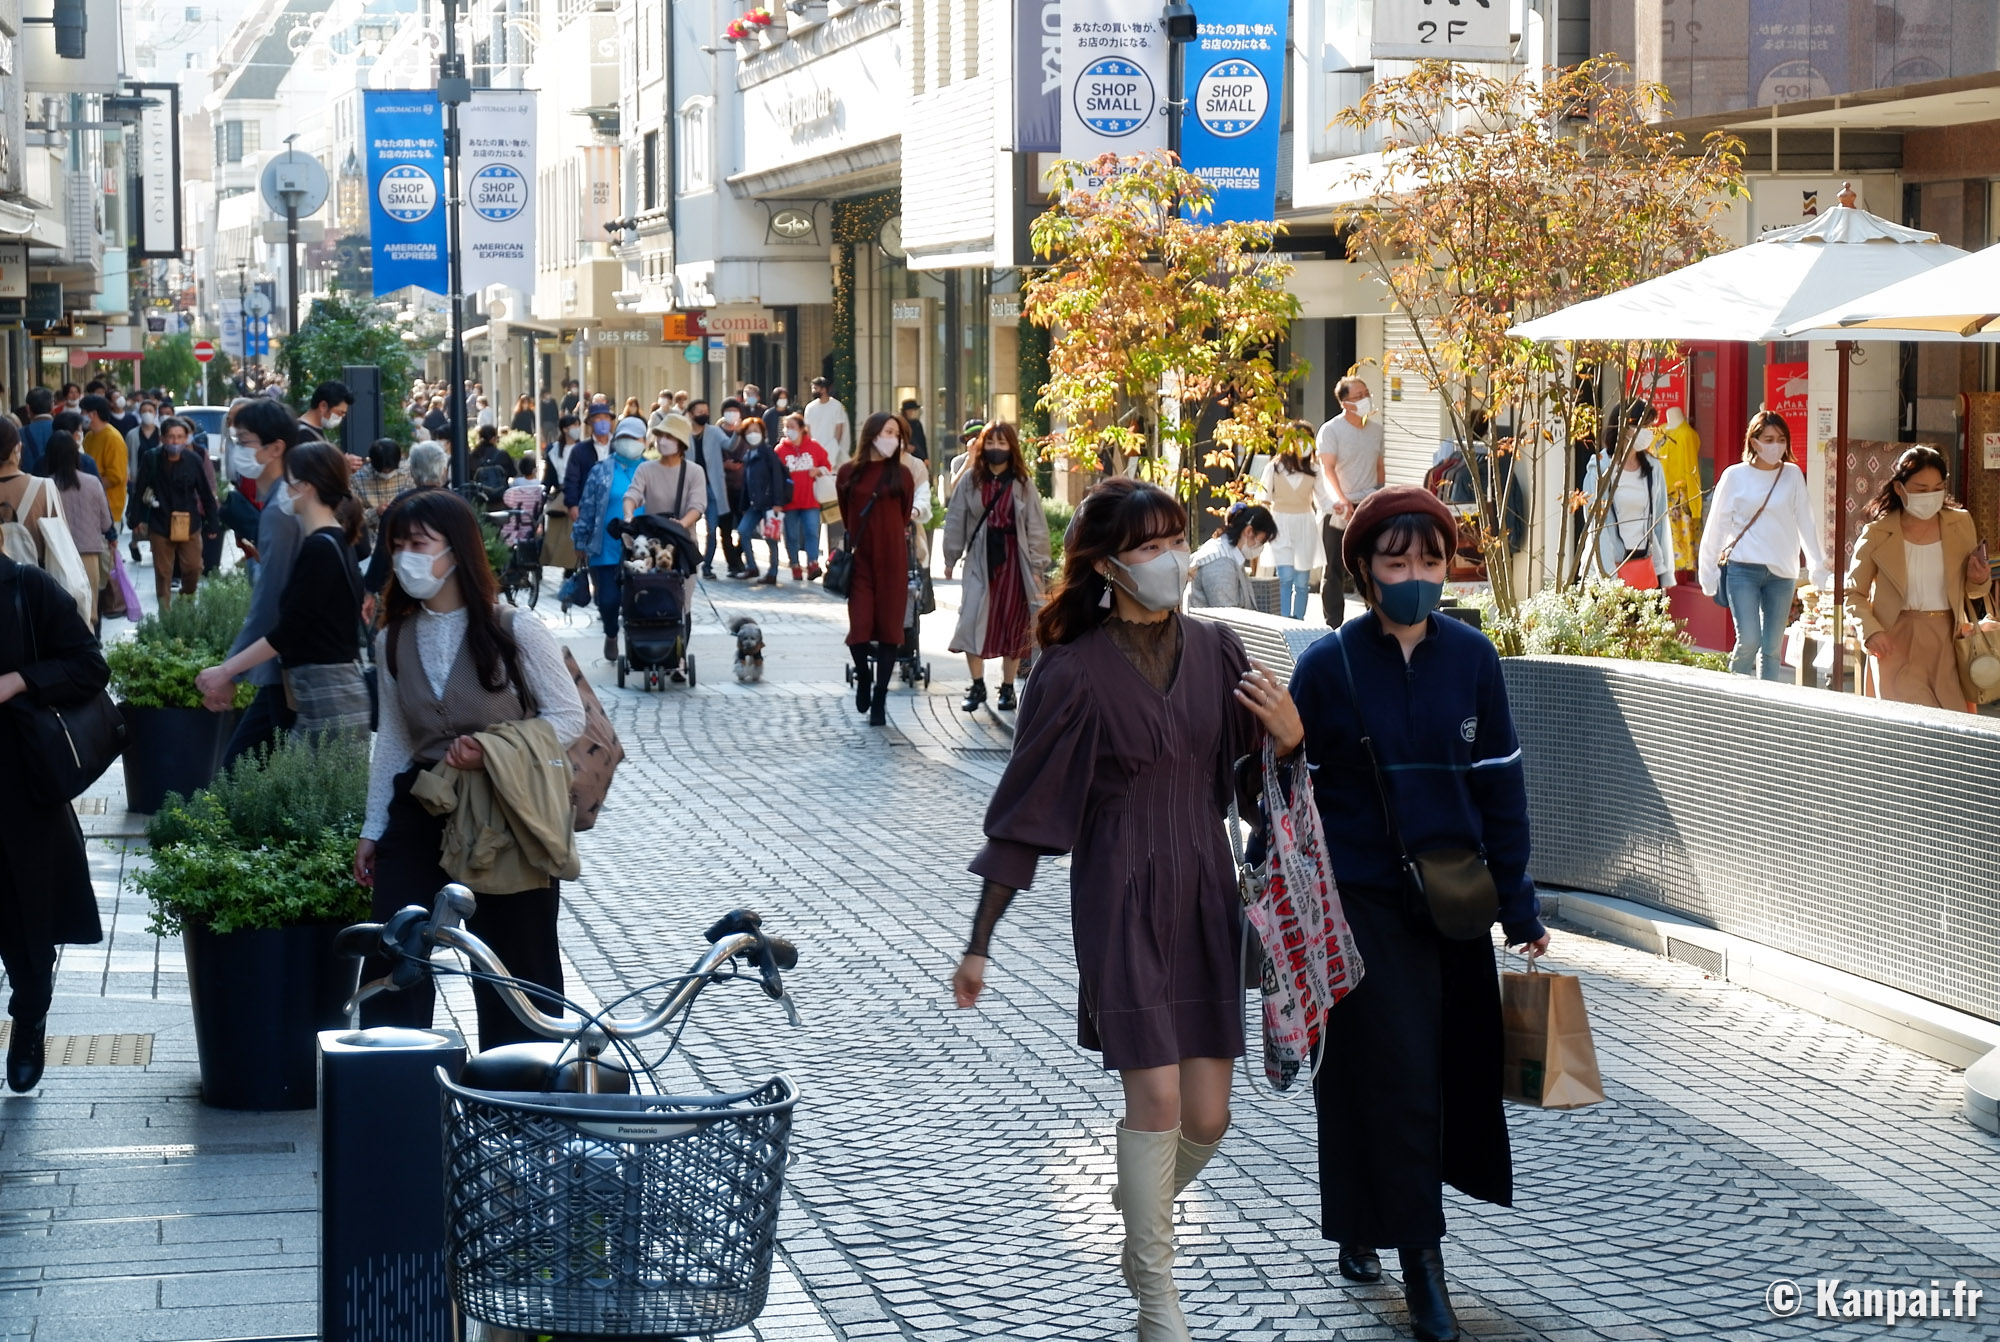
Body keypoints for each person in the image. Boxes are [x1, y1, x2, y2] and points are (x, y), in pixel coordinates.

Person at [951, 477, 1299, 1342]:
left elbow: (1264, 784)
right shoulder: (1070, 671)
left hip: (1208, 892)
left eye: (1175, 539)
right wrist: (979, 942)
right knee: (1158, 1106)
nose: (1169, 559)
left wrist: (1292, 735)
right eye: (1148, 547)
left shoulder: (1219, 651)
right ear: (1107, 564)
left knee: (1209, 1117)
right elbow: (1025, 808)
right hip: (1119, 895)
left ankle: (1136, 1199)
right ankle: (1157, 1299)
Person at [1285, 485, 1547, 1342]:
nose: (1415, 576)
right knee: (1391, 1077)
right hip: (1359, 906)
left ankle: (1365, 1221)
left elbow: (1500, 788)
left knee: (1439, 1076)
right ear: (1362, 568)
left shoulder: (1474, 657)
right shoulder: (1329, 664)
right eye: (1395, 561)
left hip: (1456, 904)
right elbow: (1281, 800)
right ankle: (1422, 1268)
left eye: (1429, 560)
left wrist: (1520, 906)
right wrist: (1283, 749)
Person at [354, 488, 585, 1050]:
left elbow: (568, 717)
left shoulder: (515, 628)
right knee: (398, 944)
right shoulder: (392, 638)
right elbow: (395, 741)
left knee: (515, 962)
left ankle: (521, 1088)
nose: (406, 555)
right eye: (397, 545)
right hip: (423, 802)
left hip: (505, 812)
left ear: (455, 550)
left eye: (419, 543)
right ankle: (391, 1079)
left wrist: (495, 749)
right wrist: (372, 829)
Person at [0, 545, 109, 1092]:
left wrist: (19, 680)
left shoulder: (27, 587)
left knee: (26, 925)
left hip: (19, 790)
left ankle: (29, 1016)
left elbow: (91, 665)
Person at [196, 442, 370, 741]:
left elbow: (289, 630)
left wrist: (226, 671)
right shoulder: (333, 541)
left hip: (326, 698)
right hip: (329, 694)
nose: (283, 490)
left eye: (288, 481)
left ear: (306, 487)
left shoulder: (319, 547)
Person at [1847, 444, 1991, 710]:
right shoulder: (1877, 533)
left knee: (1951, 728)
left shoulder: (1960, 523)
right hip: (1894, 641)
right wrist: (1871, 631)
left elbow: (1972, 593)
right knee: (1908, 729)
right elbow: (1853, 593)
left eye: (1937, 489)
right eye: (1921, 490)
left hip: (1950, 640)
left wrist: (1979, 579)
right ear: (1899, 489)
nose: (1930, 496)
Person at [1694, 413, 1830, 679]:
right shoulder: (1734, 476)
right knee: (1749, 641)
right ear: (1754, 442)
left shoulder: (1791, 475)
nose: (1776, 446)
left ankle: (1769, 710)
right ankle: (1733, 699)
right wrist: (1707, 571)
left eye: (1781, 440)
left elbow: (1806, 520)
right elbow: (1717, 526)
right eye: (1768, 439)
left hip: (1782, 572)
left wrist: (1817, 565)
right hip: (1742, 569)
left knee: (1771, 649)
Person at [215, 399, 306, 765]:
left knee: (241, 770)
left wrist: (229, 671)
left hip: (289, 670)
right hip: (283, 668)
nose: (236, 449)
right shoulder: (281, 502)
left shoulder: (282, 509)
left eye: (244, 440)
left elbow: (269, 604)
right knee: (242, 768)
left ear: (276, 448)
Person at [941, 422, 1049, 713]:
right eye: (991, 443)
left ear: (1011, 447)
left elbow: (1036, 526)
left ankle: (1007, 688)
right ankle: (977, 685)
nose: (996, 449)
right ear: (982, 446)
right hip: (980, 557)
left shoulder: (1023, 483)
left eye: (1002, 443)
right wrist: (950, 557)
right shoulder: (970, 481)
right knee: (972, 616)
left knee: (1013, 622)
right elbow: (956, 519)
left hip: (1015, 560)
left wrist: (1038, 565)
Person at [836, 413, 922, 726]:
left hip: (893, 562)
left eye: (897, 434)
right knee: (858, 630)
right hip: (861, 560)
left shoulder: (902, 475)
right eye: (888, 432)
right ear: (872, 433)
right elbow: (848, 517)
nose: (893, 439)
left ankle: (880, 697)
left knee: (890, 631)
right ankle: (863, 676)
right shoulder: (848, 473)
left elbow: (902, 516)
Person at [574, 417, 652, 660]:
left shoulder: (650, 470)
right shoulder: (601, 471)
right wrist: (580, 540)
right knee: (608, 599)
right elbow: (587, 507)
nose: (630, 443)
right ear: (616, 440)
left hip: (642, 548)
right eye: (624, 438)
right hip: (606, 546)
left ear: (644, 441)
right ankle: (610, 633)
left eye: (635, 438)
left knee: (641, 599)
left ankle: (638, 642)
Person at [1315, 377, 1384, 626]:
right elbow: (1327, 469)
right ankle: (1333, 625)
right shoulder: (1330, 430)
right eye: (1358, 396)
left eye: (1366, 393)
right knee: (1333, 568)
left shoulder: (1376, 430)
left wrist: (1379, 496)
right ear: (1345, 403)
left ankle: (1373, 619)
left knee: (1370, 565)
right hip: (1337, 508)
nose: (1365, 399)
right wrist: (1342, 500)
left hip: (1367, 505)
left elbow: (1379, 467)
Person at [128, 417, 219, 608]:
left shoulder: (194, 460)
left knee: (194, 568)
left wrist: (213, 522)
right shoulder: (151, 458)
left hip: (189, 523)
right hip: (160, 522)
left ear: (186, 438)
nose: (175, 442)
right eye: (171, 437)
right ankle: (166, 616)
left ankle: (185, 606)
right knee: (163, 573)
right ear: (162, 438)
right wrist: (135, 518)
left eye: (179, 437)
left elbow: (205, 493)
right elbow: (140, 489)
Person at [1580, 427, 1675, 590]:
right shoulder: (1600, 467)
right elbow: (1597, 528)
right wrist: (1609, 580)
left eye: (1652, 425)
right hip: (1607, 572)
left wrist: (1666, 572)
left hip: (1644, 566)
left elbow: (1660, 521)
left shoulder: (1653, 467)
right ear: (1624, 427)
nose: (1649, 432)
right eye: (1645, 426)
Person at [40, 431, 114, 628]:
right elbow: (106, 523)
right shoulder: (92, 482)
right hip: (89, 553)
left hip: (55, 555)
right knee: (89, 610)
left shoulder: (44, 486)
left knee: (60, 611)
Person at [1264, 431, 1321, 620]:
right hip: (1280, 523)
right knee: (1285, 576)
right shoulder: (1274, 467)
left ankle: (1299, 619)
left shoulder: (1314, 469)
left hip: (1305, 524)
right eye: (1298, 439)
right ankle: (1283, 619)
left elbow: (1324, 498)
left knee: (1302, 581)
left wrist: (1339, 507)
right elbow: (1264, 497)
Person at [622, 413, 707, 532]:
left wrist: (682, 524)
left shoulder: (695, 471)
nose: (662, 441)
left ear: (681, 442)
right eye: (660, 436)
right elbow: (632, 494)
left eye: (669, 437)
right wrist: (628, 515)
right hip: (653, 539)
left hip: (682, 540)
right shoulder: (645, 468)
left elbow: (697, 506)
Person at [1187, 505, 1277, 610]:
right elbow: (1227, 616)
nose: (1261, 546)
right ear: (1248, 532)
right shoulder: (1221, 563)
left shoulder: (1229, 554)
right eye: (1262, 541)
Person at [736, 418, 790, 585]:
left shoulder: (768, 453)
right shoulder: (748, 455)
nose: (753, 434)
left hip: (770, 503)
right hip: (753, 504)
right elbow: (746, 482)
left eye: (756, 431)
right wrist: (744, 504)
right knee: (743, 530)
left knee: (771, 538)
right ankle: (751, 566)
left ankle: (772, 572)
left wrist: (777, 502)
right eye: (749, 431)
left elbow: (777, 478)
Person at [779, 412, 831, 581]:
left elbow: (827, 465)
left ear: (802, 429)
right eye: (787, 427)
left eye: (792, 427)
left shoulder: (814, 446)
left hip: (810, 499)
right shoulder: (780, 450)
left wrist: (818, 470)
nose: (789, 430)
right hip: (789, 501)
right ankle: (794, 564)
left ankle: (813, 563)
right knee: (791, 535)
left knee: (811, 532)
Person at [692, 400, 735, 579]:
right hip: (691, 488)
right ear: (691, 413)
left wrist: (737, 431)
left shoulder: (715, 432)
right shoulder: (684, 433)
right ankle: (689, 562)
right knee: (688, 529)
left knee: (712, 530)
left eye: (706, 411)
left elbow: (730, 446)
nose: (704, 414)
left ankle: (707, 565)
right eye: (700, 411)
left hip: (711, 487)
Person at [77, 395, 129, 530]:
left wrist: (89, 487)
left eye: (83, 412)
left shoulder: (113, 438)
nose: (81, 416)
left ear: (93, 414)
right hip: (90, 507)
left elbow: (115, 476)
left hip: (108, 508)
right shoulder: (89, 437)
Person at [352, 438, 409, 534]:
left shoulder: (408, 473)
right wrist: (376, 513)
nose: (387, 473)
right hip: (371, 538)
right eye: (383, 471)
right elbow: (353, 518)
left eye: (390, 470)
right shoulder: (357, 479)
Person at [501, 454, 545, 546]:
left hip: (518, 520)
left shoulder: (515, 484)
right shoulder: (539, 486)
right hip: (533, 519)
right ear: (534, 470)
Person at [297, 380, 353, 452]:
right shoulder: (303, 435)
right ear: (323, 406)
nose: (341, 417)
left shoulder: (315, 431)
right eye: (339, 413)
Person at [804, 376, 849, 465]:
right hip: (815, 448)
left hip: (832, 449)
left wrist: (834, 446)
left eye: (815, 388)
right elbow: (807, 428)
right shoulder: (810, 407)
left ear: (823, 389)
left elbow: (839, 428)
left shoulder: (836, 406)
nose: (813, 391)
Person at [19, 388, 54, 474]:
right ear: (52, 406)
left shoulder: (18, 433)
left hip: (29, 484)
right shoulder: (64, 429)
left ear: (27, 408)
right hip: (60, 484)